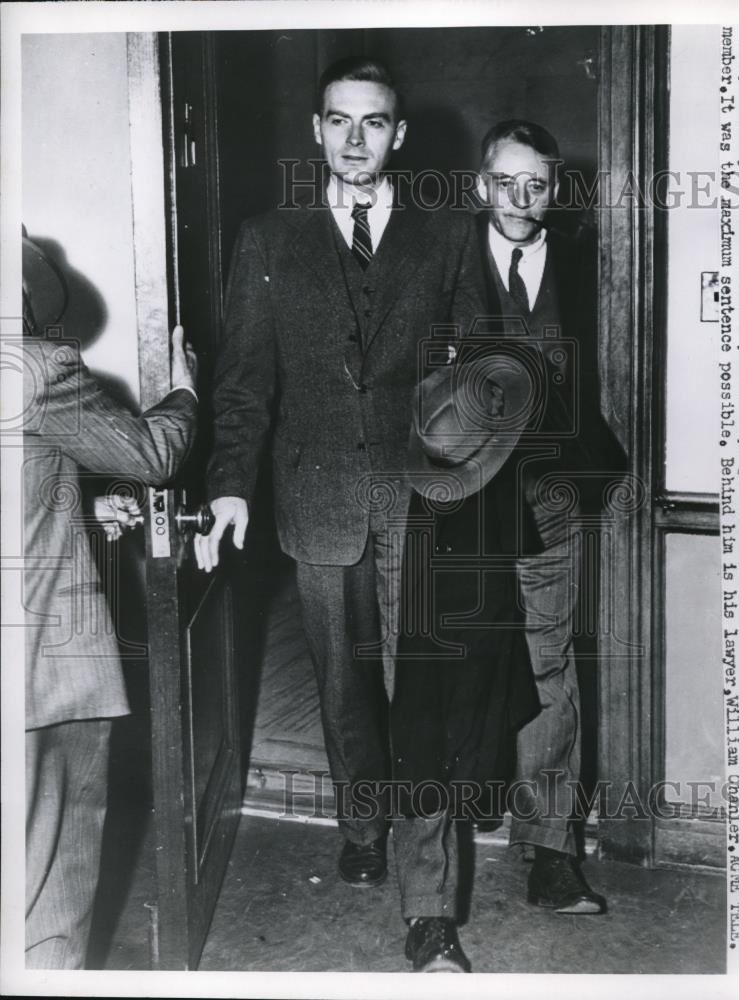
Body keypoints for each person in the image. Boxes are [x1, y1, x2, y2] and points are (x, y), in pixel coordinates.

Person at [194, 56, 484, 889]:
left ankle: (429, 836)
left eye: (373, 122)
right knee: (343, 680)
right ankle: (363, 825)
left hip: (420, 499)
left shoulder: (450, 234)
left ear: (398, 134)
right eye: (339, 121)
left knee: (421, 678)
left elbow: (477, 381)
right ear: (317, 130)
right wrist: (227, 486)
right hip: (316, 497)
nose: (355, 138)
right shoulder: (268, 238)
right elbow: (244, 382)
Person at [21, 231, 198, 968]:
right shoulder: (34, 367)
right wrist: (187, 388)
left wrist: (77, 509)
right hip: (41, 674)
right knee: (47, 887)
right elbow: (151, 455)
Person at [474, 120, 612, 914]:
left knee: (550, 668)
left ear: (553, 188)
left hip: (550, 504)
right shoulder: (442, 259)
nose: (521, 200)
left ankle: (552, 851)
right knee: (457, 665)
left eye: (537, 184)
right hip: (458, 509)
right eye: (506, 182)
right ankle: (457, 814)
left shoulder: (588, 262)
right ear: (479, 184)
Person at [391, 346, 543, 972]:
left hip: (468, 572)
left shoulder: (475, 469)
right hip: (439, 585)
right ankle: (429, 916)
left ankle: (470, 807)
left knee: (457, 717)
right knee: (427, 731)